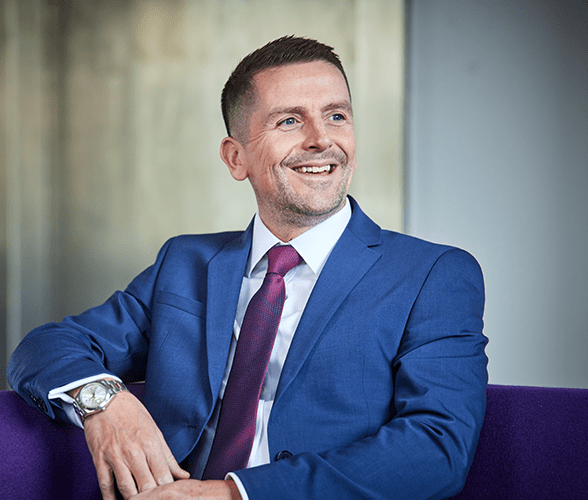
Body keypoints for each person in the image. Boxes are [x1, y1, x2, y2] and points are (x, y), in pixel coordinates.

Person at [7, 36, 488, 500]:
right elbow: (45, 348)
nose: (321, 140)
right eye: (289, 122)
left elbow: (437, 448)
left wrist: (231, 495)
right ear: (235, 158)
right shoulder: (185, 263)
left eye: (337, 116)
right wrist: (107, 404)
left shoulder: (434, 275)